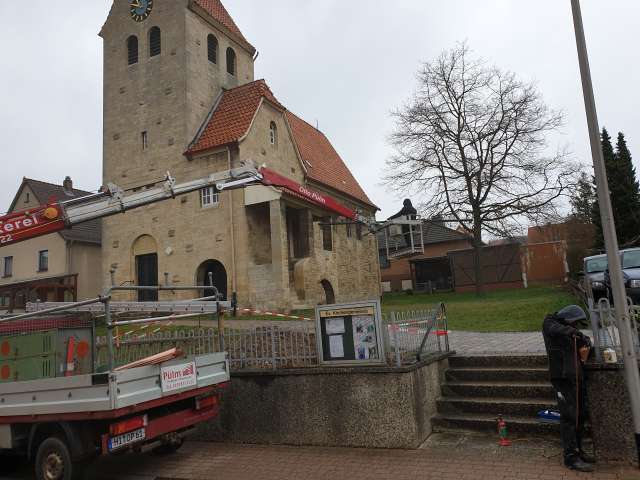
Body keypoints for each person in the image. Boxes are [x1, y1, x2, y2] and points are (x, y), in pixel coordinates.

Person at [542, 305, 596, 472]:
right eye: (575, 323)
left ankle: (579, 451)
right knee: (569, 416)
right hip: (562, 378)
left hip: (576, 378)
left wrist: (586, 341)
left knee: (580, 415)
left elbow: (585, 345)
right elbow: (557, 329)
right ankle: (570, 458)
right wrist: (573, 332)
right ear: (568, 319)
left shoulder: (571, 331)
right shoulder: (550, 322)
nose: (576, 327)